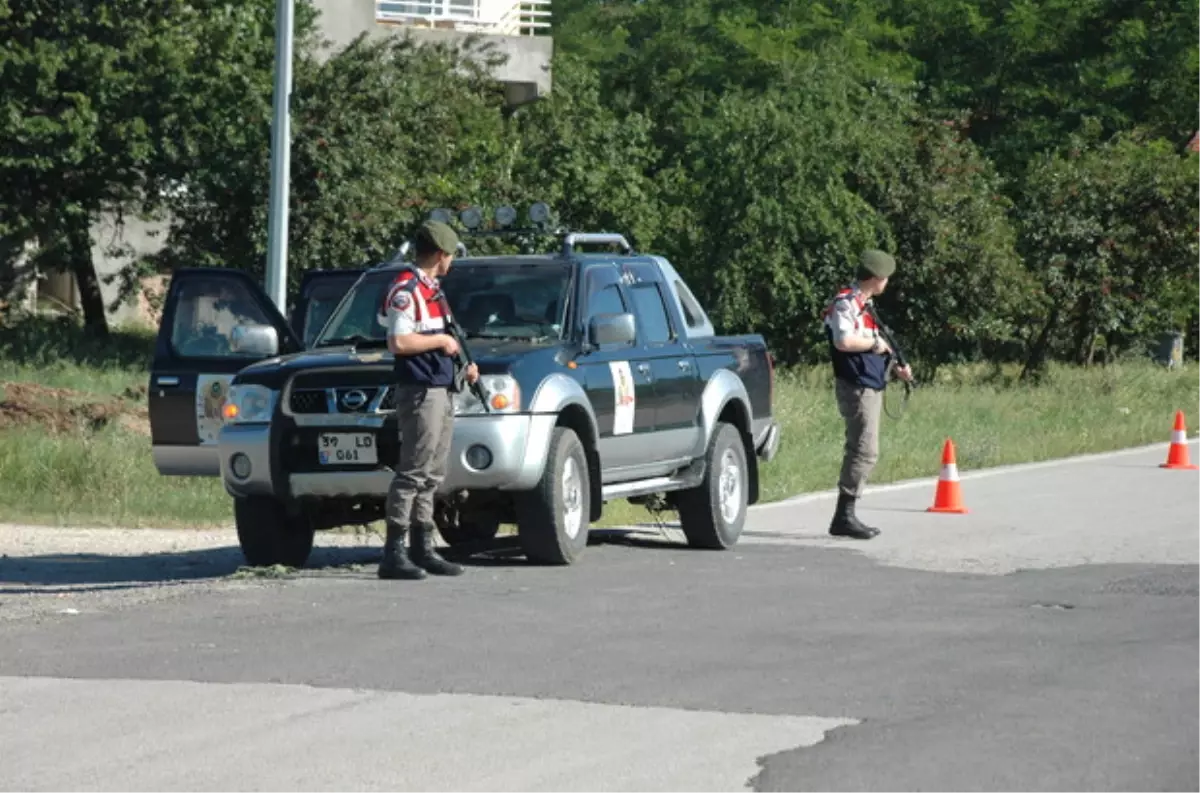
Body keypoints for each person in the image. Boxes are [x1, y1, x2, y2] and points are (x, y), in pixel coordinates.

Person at [377, 220, 480, 580]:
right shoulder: (406, 290)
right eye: (450, 254)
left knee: (433, 472)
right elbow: (399, 342)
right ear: (440, 254)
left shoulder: (432, 290)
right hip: (421, 390)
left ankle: (424, 546)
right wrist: (441, 344)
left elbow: (445, 334)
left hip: (441, 387)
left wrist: (463, 363)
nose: (452, 261)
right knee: (413, 470)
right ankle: (394, 551)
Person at [821, 249, 913, 541]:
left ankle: (845, 514)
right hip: (856, 385)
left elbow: (872, 343)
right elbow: (844, 340)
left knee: (864, 449)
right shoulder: (846, 303)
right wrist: (875, 343)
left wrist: (895, 364)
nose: (887, 282)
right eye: (885, 277)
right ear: (876, 278)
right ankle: (844, 516)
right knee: (864, 450)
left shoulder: (865, 304)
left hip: (869, 383)